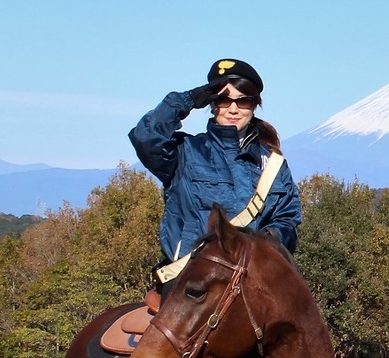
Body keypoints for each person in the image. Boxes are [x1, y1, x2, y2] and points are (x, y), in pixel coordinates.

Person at [129, 58, 302, 280]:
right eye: (223, 100)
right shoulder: (185, 152)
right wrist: (186, 101)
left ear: (254, 105)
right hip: (189, 278)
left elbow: (287, 217)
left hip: (252, 277)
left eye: (243, 101)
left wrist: (268, 238)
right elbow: (146, 138)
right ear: (211, 104)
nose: (233, 109)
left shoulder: (273, 163)